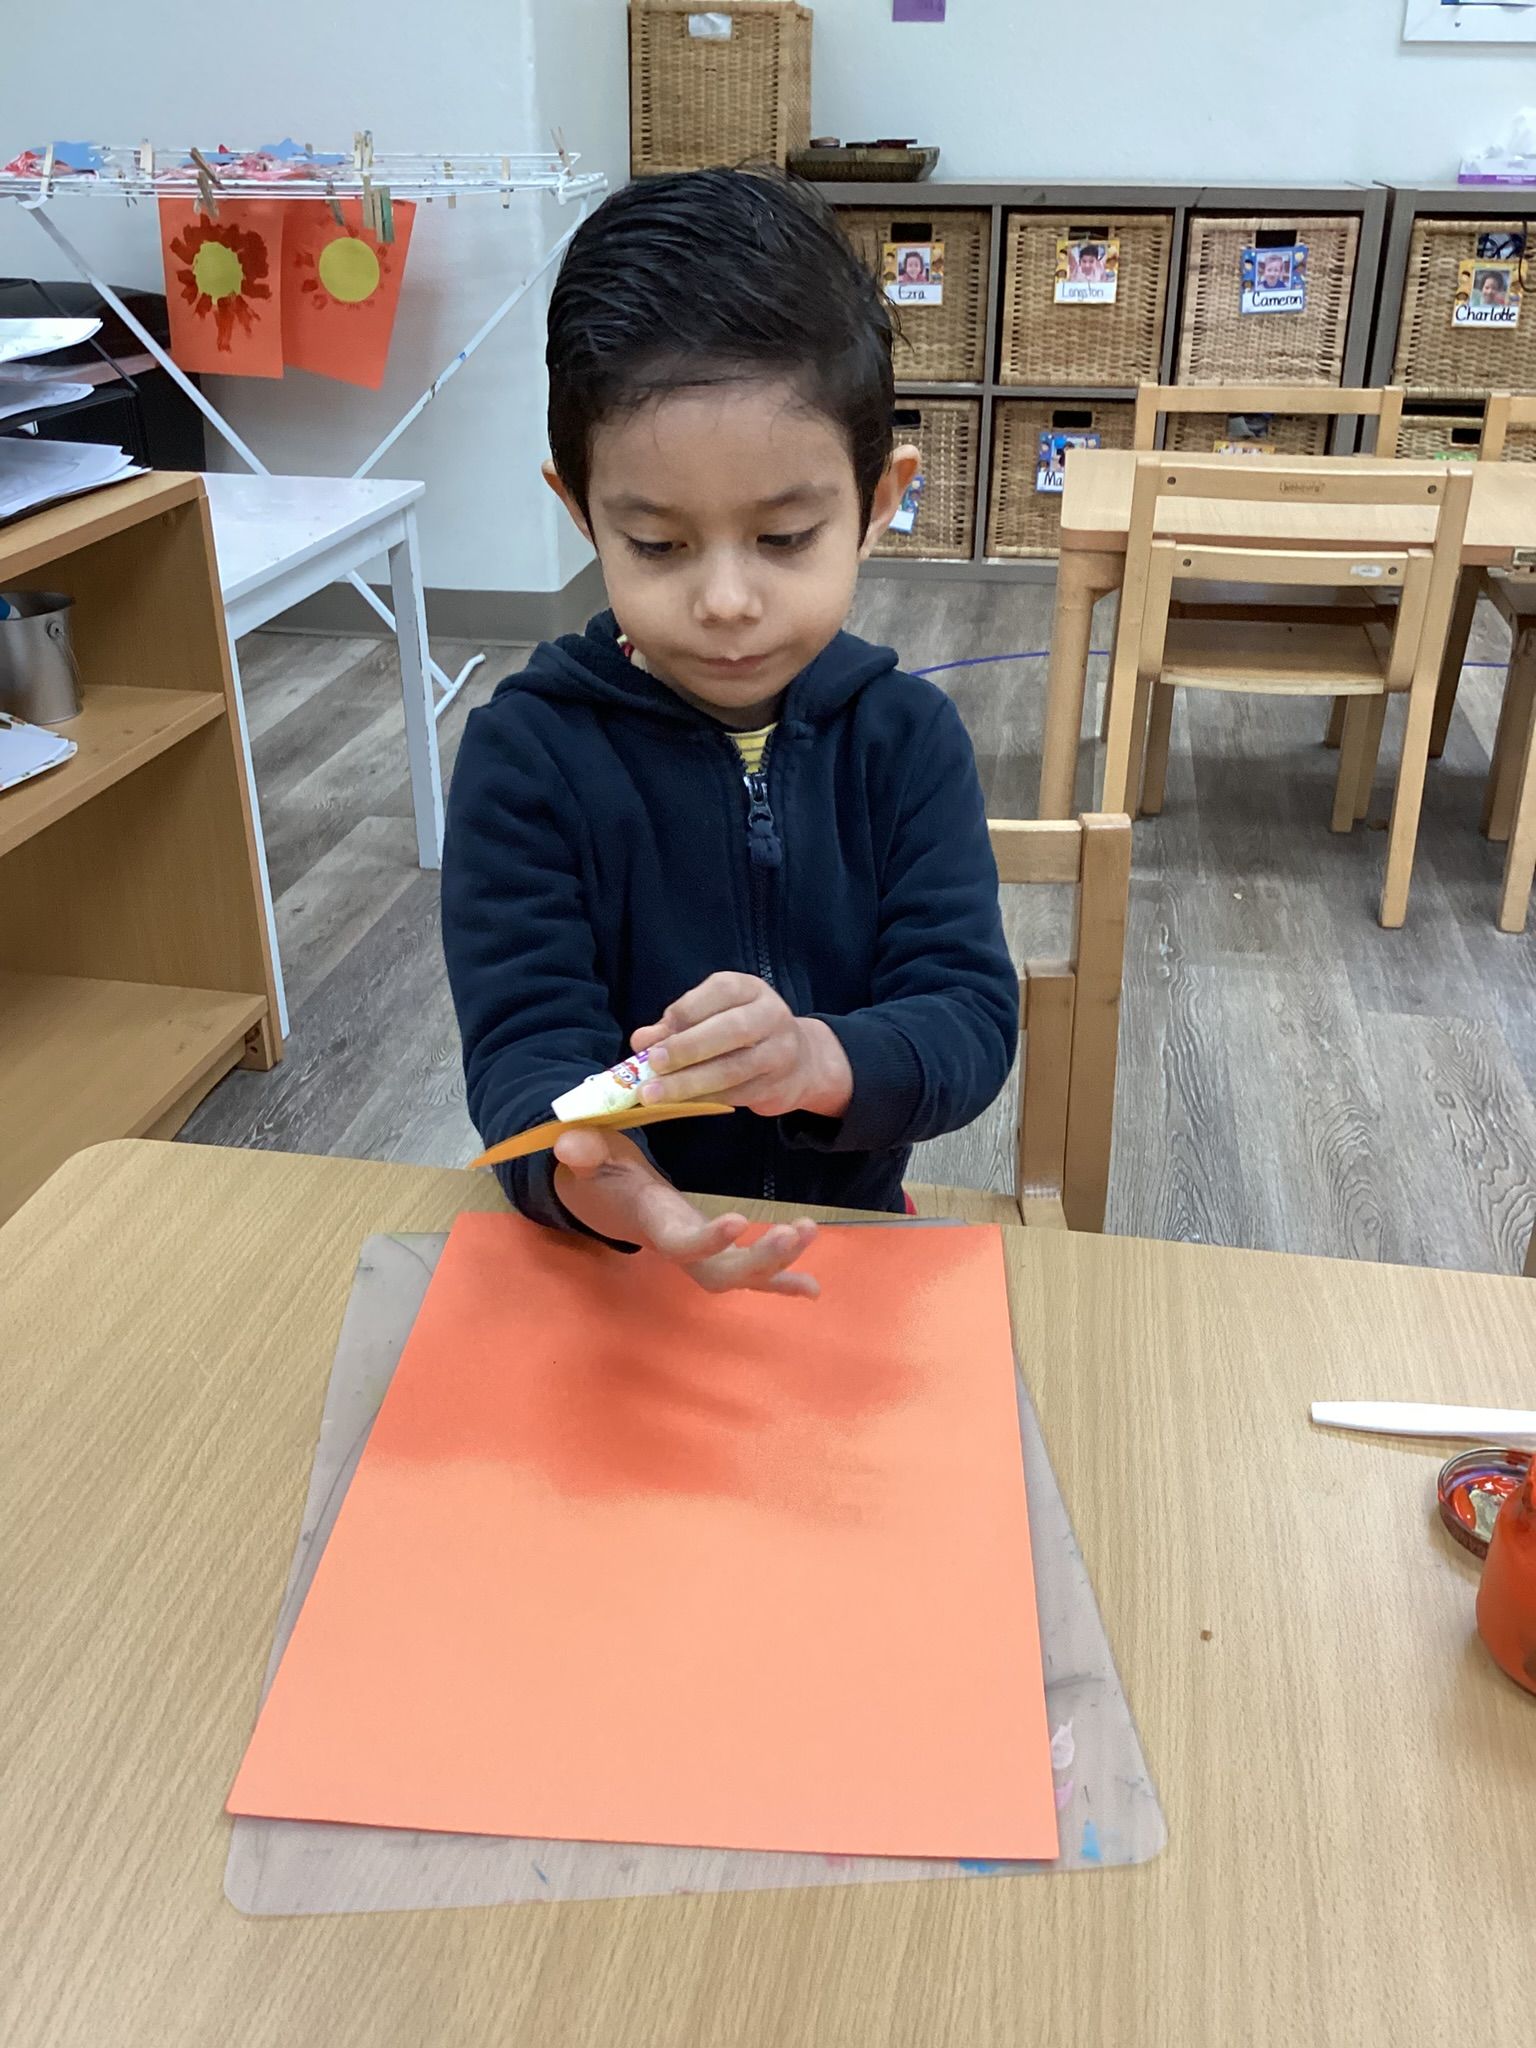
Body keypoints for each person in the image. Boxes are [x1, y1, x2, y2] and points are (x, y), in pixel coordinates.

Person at [441, 169, 1016, 1300]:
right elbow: (525, 1052)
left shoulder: (906, 740)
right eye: (657, 546)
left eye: (786, 537)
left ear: (878, 500)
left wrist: (815, 1059)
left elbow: (966, 1019)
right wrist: (619, 1189)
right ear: (581, 510)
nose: (725, 602)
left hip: (841, 1240)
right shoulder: (527, 758)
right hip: (614, 1254)